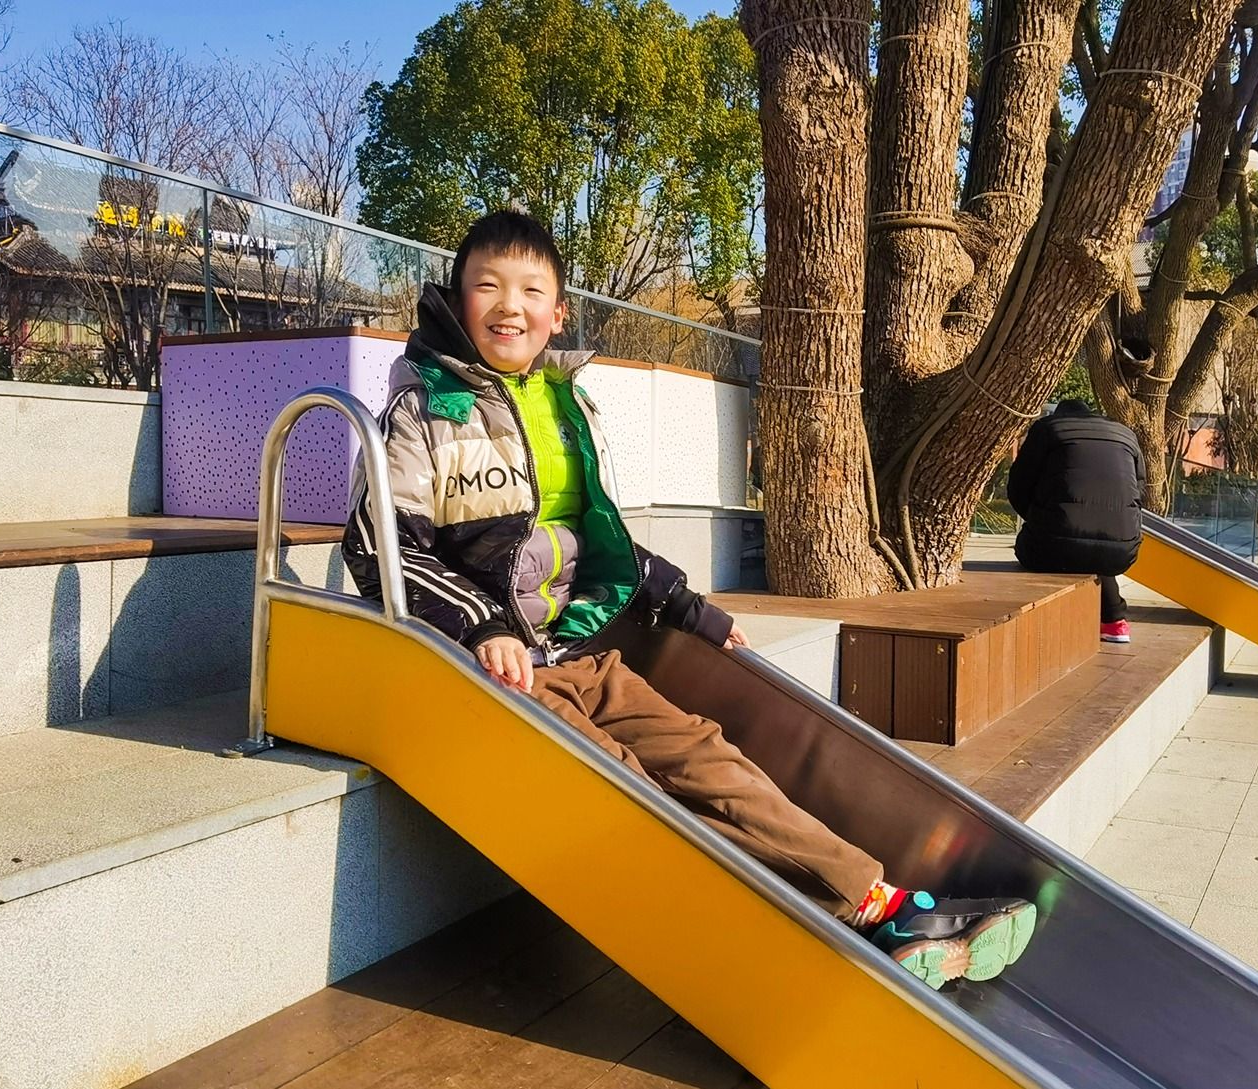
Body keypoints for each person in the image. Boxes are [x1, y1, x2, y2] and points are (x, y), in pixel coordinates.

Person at [342, 211, 1036, 987]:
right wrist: (482, 628)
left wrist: (688, 608)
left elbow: (599, 539)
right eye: (488, 286)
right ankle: (800, 940)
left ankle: (884, 905)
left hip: (579, 654)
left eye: (532, 290)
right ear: (456, 299)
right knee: (628, 786)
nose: (511, 305)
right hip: (495, 674)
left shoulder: (563, 405)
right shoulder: (426, 410)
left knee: (707, 756)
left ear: (558, 312)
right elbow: (379, 544)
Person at [1008, 399, 1145, 644]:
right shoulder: (1125, 433)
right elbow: (1139, 489)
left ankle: (1053, 624)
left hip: (1054, 542)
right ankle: (1115, 622)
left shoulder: (1047, 428)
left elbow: (1018, 485)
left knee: (1041, 548)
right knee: (1096, 555)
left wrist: (1039, 517)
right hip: (1123, 548)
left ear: (1059, 414)